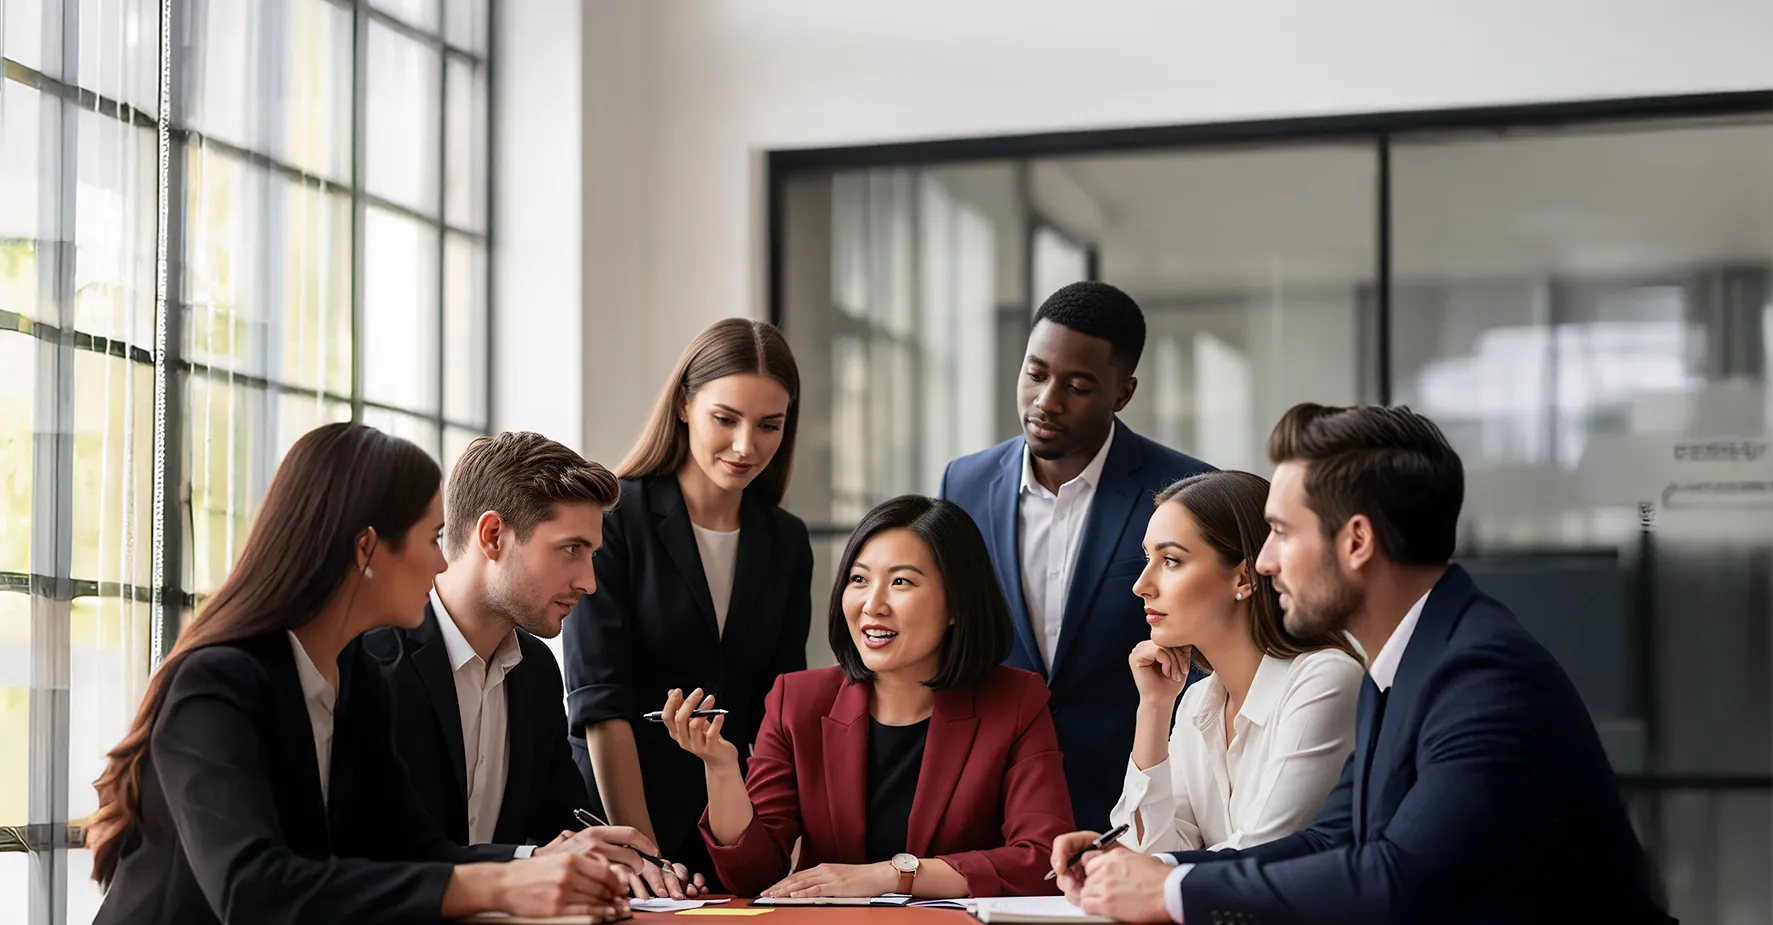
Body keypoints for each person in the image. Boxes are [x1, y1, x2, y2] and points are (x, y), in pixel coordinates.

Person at [1052, 404, 1675, 925]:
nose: (1265, 562)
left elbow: (1402, 876)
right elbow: (1331, 842)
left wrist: (1167, 893)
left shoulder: (1481, 674)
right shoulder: (1401, 664)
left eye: (1282, 533)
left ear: (1355, 541)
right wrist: (1149, 869)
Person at [87, 423, 628, 925]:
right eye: (433, 538)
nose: (443, 565)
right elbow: (252, 891)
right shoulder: (217, 683)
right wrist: (498, 887)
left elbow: (414, 849)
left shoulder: (357, 679)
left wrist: (537, 868)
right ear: (366, 548)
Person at [661, 496, 1075, 899]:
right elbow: (752, 877)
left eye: (901, 582)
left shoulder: (1015, 700)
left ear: (956, 603)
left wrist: (890, 876)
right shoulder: (798, 701)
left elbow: (1042, 859)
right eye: (859, 579)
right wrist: (720, 769)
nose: (872, 605)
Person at [364, 431, 704, 900]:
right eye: (571, 550)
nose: (588, 582)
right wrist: (530, 861)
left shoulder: (536, 671)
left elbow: (564, 827)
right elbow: (374, 851)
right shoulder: (375, 660)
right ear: (493, 535)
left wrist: (625, 868)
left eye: (592, 556)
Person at [940, 280, 1213, 831]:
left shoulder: (1184, 491)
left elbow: (1212, 650)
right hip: (991, 801)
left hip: (1133, 801)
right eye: (1035, 373)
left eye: (1078, 384)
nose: (1046, 400)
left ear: (1123, 393)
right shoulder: (962, 483)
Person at [564, 318, 815, 889]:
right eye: (725, 419)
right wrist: (647, 858)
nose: (746, 446)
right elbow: (601, 706)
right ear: (683, 405)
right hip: (620, 832)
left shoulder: (785, 541)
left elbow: (781, 713)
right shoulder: (614, 518)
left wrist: (768, 838)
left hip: (733, 834)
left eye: (769, 425)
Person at [1109, 470, 1364, 854]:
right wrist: (1154, 708)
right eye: (1148, 557)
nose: (1141, 584)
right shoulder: (1196, 702)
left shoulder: (1325, 680)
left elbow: (1263, 853)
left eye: (1172, 560)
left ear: (1244, 578)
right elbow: (1145, 853)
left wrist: (1135, 875)